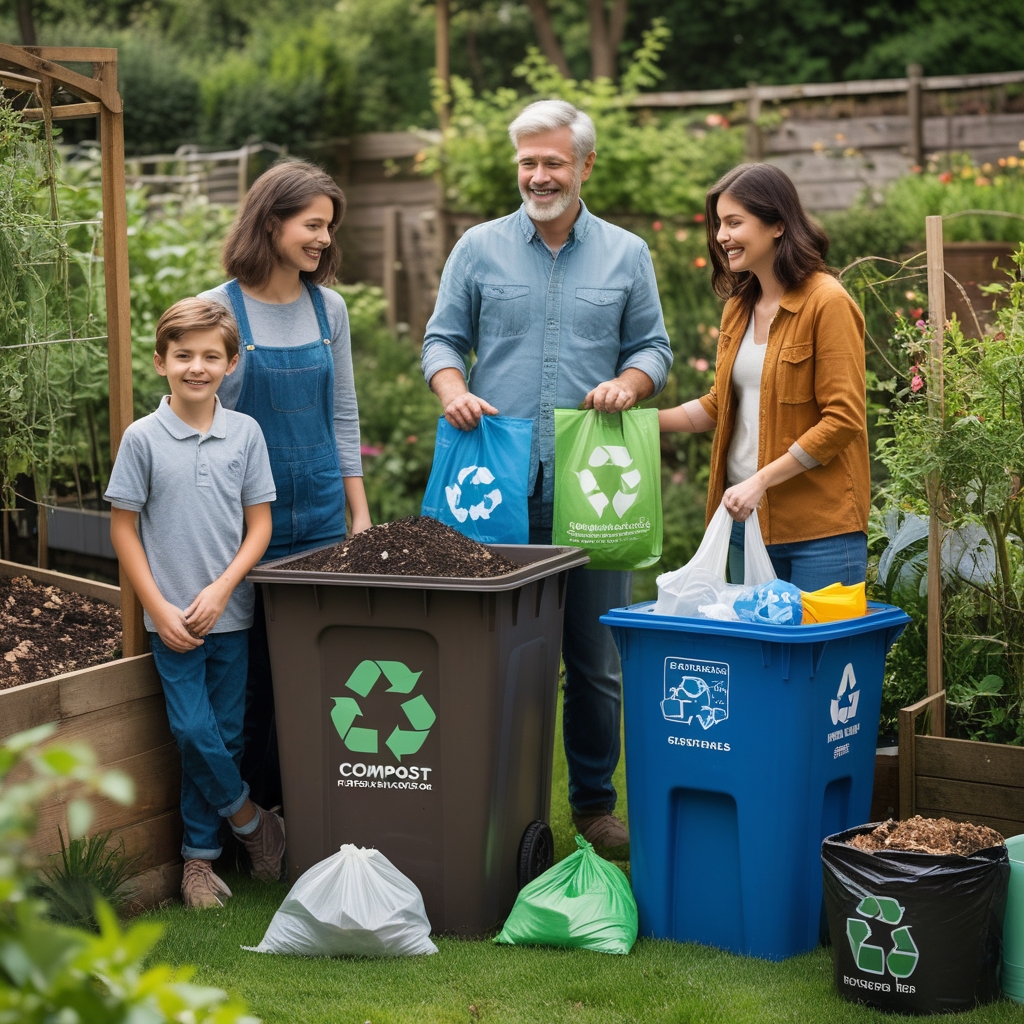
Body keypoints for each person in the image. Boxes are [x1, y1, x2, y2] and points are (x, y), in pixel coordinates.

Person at [421, 99, 673, 848]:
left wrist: (630, 384)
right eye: (528, 162)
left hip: (594, 491)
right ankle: (492, 799)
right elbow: (442, 340)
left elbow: (653, 348)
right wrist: (453, 390)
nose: (539, 176)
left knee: (593, 662)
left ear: (584, 165)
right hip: (494, 487)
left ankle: (594, 806)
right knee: (493, 656)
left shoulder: (626, 253)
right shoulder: (477, 248)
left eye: (553, 162)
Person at [200, 160, 371, 809]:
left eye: (329, 227)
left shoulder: (329, 307)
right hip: (248, 525)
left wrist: (359, 515)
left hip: (323, 516)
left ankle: (307, 809)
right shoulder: (220, 309)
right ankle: (247, 820)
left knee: (316, 674)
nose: (324, 240)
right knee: (249, 680)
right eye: (312, 224)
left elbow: (344, 414)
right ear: (270, 222)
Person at [106, 298, 283, 909]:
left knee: (226, 736)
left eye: (211, 356)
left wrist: (222, 587)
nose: (197, 367)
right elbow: (123, 529)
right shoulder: (143, 439)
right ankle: (253, 823)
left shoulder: (247, 435)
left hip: (230, 614)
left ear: (231, 364)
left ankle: (200, 863)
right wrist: (158, 605)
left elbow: (258, 526)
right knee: (190, 729)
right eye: (183, 355)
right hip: (171, 622)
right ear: (161, 362)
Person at [659, 163, 869, 590]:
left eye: (735, 222)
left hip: (820, 532)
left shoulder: (826, 302)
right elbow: (720, 404)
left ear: (777, 224)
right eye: (719, 224)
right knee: (757, 658)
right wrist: (639, 423)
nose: (721, 236)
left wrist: (760, 480)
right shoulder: (739, 305)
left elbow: (843, 419)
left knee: (820, 656)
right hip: (745, 522)